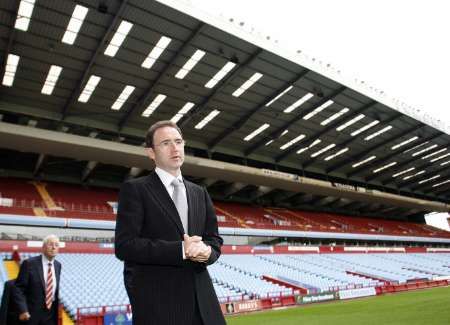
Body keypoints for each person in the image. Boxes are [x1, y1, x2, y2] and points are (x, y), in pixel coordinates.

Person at [115, 120, 226, 325]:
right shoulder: (136, 190)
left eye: (178, 141)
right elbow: (125, 246)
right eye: (166, 143)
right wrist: (180, 250)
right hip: (160, 306)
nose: (175, 148)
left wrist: (208, 252)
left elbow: (214, 240)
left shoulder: (199, 192)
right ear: (151, 152)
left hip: (204, 304)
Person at [14, 234, 62, 325]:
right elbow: (18, 289)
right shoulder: (29, 263)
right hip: (32, 315)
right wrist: (23, 309)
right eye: (50, 244)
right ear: (43, 247)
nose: (53, 247)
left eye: (56, 245)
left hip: (51, 314)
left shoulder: (58, 265)